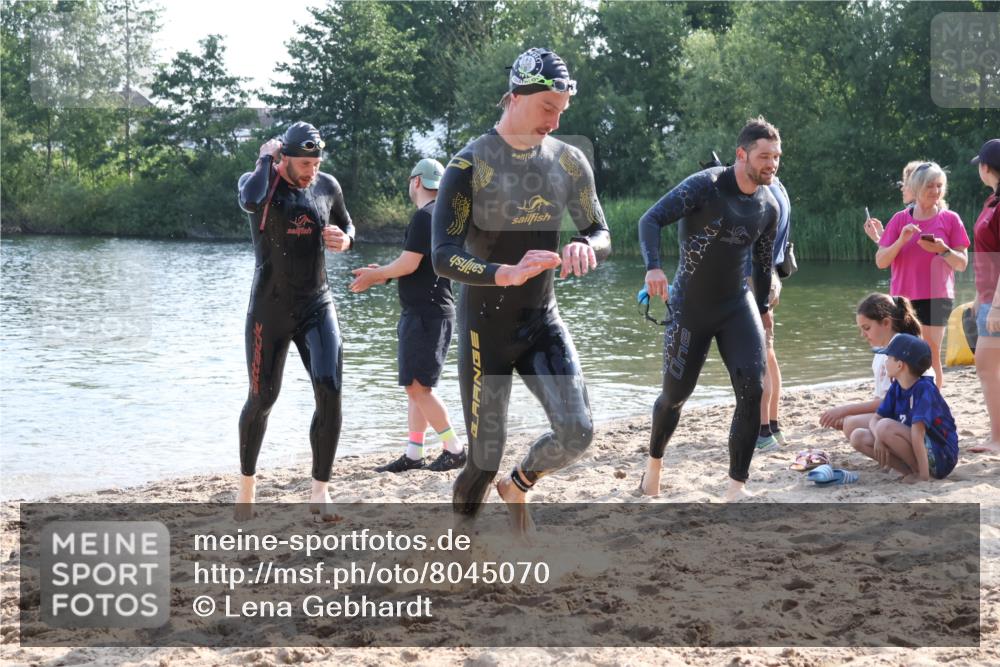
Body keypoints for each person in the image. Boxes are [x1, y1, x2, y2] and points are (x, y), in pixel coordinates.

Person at [431, 47, 611, 533]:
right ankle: (462, 539)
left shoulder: (568, 162)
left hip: (540, 322)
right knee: (483, 460)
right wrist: (501, 272)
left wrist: (584, 245)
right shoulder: (468, 167)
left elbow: (600, 229)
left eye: (560, 112)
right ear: (514, 98)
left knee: (578, 431)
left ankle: (520, 484)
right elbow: (443, 254)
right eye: (546, 108)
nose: (553, 121)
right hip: (483, 333)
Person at [638, 116, 780, 501]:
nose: (772, 164)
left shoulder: (769, 205)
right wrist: (654, 267)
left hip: (737, 305)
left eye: (777, 157)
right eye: (764, 156)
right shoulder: (706, 187)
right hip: (690, 306)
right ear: (741, 154)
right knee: (675, 396)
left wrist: (764, 307)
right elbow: (650, 220)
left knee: (753, 390)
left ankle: (736, 488)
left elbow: (763, 264)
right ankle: (653, 466)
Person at [235, 121, 354, 517]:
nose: (311, 171)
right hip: (269, 310)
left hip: (317, 305)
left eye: (316, 162)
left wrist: (346, 238)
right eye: (304, 164)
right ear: (283, 157)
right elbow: (249, 202)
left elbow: (348, 223)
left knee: (331, 390)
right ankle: (248, 485)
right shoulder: (263, 182)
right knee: (263, 397)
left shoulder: (327, 186)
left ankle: (320, 490)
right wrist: (264, 159)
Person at [349, 158, 467, 472]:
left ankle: (454, 448)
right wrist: (385, 274)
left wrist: (378, 276)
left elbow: (409, 265)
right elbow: (416, 266)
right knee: (416, 388)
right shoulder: (441, 216)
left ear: (415, 182)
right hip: (431, 311)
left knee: (419, 388)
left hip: (426, 314)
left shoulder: (423, 217)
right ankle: (414, 454)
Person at [874, 161, 969, 388]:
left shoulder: (950, 219)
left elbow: (963, 263)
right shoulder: (899, 219)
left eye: (939, 186)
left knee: (930, 352)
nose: (935, 191)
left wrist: (943, 250)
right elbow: (881, 261)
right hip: (902, 298)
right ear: (916, 189)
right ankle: (905, 400)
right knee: (902, 354)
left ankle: (934, 402)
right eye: (930, 186)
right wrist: (901, 240)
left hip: (937, 296)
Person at [818, 293, 922, 446]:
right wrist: (848, 414)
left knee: (851, 424)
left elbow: (890, 402)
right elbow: (880, 399)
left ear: (886, 322)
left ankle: (900, 457)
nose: (863, 335)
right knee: (849, 422)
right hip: (894, 415)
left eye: (867, 328)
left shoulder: (901, 352)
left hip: (909, 419)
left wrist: (845, 410)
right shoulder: (881, 351)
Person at [859, 334, 959, 482]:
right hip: (917, 447)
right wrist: (878, 437)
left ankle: (921, 474)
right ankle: (907, 471)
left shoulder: (924, 389)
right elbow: (876, 418)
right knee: (858, 437)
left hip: (941, 455)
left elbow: (918, 433)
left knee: (885, 427)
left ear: (900, 365)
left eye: (888, 358)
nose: (885, 362)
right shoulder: (897, 386)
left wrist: (924, 476)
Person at [754, 175, 791, 451]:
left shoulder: (762, 192)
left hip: (756, 278)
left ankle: (763, 430)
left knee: (757, 355)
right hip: (771, 275)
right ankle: (773, 425)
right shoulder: (779, 186)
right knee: (768, 351)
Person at [968, 139, 1000, 454]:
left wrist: (996, 305)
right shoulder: (992, 202)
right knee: (990, 368)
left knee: (987, 367)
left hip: (998, 302)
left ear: (986, 168)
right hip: (989, 297)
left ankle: (997, 439)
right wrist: (980, 296)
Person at [863, 160, 924, 243]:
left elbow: (905, 252)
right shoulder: (939, 213)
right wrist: (881, 234)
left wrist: (877, 238)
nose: (902, 188)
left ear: (917, 186)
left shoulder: (911, 215)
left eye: (906, 184)